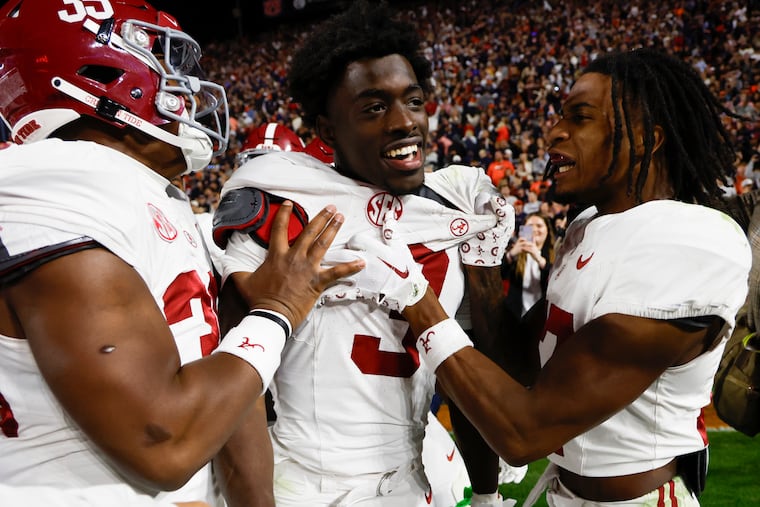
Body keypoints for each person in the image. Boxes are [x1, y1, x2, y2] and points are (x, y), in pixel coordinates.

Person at [349, 48, 752, 505]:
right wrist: (483, 261)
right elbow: (516, 363)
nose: (554, 133)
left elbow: (524, 434)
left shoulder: (688, 242)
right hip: (565, 492)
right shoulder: (588, 228)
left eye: (580, 117)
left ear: (646, 138)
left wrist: (415, 295)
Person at [0, 2, 362, 506]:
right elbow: (162, 440)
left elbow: (225, 393)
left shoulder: (138, 189)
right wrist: (276, 312)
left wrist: (241, 314)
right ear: (93, 72)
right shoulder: (57, 184)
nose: (186, 90)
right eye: (162, 62)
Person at [210, 2, 514, 506]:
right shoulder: (282, 204)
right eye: (374, 107)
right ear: (328, 131)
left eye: (412, 101)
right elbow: (240, 381)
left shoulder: (450, 216)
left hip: (410, 482)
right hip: (303, 485)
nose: (402, 122)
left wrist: (485, 495)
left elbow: (466, 375)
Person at [502, 213, 556, 319]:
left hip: (543, 317)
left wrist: (539, 258)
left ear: (547, 230)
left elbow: (557, 280)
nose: (534, 230)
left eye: (539, 226)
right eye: (530, 226)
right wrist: (511, 255)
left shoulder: (557, 252)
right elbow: (499, 275)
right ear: (523, 230)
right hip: (515, 316)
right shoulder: (514, 253)